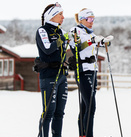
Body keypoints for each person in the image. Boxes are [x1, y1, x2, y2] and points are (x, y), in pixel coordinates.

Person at [68, 8, 112, 137]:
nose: (92, 21)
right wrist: (92, 41)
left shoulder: (89, 32)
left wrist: (103, 42)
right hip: (83, 70)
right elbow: (76, 48)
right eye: (89, 19)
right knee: (91, 105)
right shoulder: (75, 31)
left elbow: (94, 44)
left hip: (92, 70)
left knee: (85, 105)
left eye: (93, 19)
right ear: (82, 19)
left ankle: (83, 134)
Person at [35, 2, 69, 137]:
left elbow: (76, 47)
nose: (63, 17)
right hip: (48, 75)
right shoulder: (42, 30)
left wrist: (95, 42)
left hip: (61, 75)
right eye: (60, 14)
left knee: (59, 112)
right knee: (49, 111)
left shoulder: (61, 31)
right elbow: (48, 49)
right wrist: (61, 40)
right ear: (52, 16)